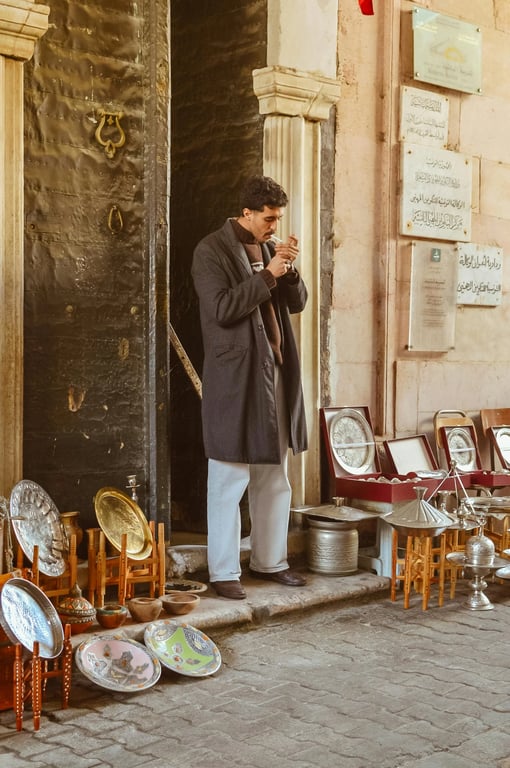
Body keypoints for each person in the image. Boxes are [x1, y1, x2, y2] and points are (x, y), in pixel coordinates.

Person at [191, 174, 308, 599]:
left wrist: (287, 271)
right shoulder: (211, 250)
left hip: (274, 375)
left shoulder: (272, 249)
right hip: (236, 380)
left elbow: (297, 304)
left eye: (277, 218)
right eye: (268, 218)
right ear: (246, 213)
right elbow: (221, 309)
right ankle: (223, 573)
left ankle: (269, 562)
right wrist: (267, 275)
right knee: (229, 476)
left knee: (275, 478)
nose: (274, 226)